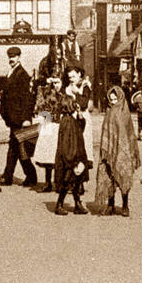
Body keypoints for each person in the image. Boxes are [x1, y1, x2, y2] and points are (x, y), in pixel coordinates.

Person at [94, 83, 140, 217]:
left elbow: (129, 133)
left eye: (115, 99)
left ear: (121, 98)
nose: (113, 102)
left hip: (123, 151)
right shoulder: (109, 112)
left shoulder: (125, 112)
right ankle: (111, 204)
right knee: (109, 176)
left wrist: (128, 150)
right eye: (111, 100)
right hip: (109, 151)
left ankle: (125, 204)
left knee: (124, 175)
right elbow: (106, 132)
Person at [0, 46, 38, 188]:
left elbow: (28, 99)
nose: (11, 59)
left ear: (19, 57)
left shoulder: (22, 75)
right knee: (17, 148)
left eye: (14, 56)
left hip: (20, 118)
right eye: (10, 56)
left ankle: (9, 176)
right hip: (12, 118)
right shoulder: (11, 73)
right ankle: (29, 176)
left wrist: (26, 118)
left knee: (16, 147)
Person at [52, 78, 90, 216]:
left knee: (75, 182)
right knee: (67, 182)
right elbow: (68, 143)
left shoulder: (71, 119)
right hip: (70, 158)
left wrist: (80, 117)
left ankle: (77, 203)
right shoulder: (67, 122)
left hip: (74, 156)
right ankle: (59, 204)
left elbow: (81, 128)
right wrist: (72, 160)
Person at [33, 74, 64, 193]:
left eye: (58, 82)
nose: (56, 85)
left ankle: (59, 182)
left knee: (58, 154)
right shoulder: (46, 93)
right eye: (54, 83)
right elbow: (41, 106)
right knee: (47, 153)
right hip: (48, 124)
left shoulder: (64, 95)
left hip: (59, 125)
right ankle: (47, 182)